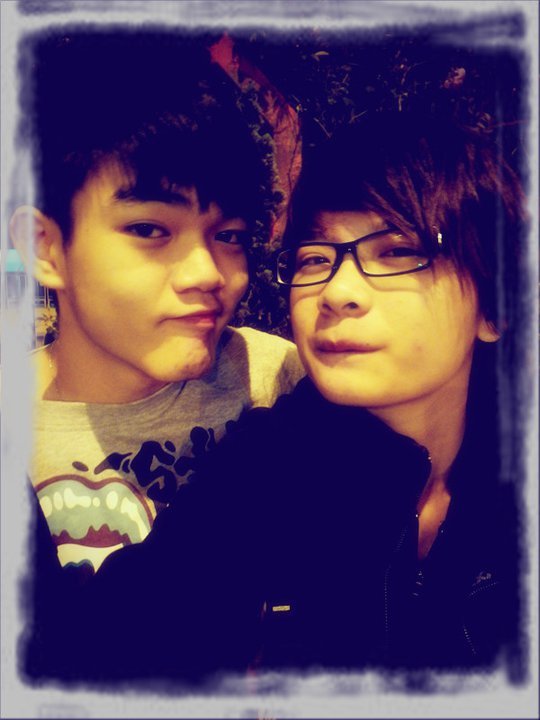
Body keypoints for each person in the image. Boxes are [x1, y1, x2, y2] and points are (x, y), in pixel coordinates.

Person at [31, 111, 528, 686]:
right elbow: (96, 656)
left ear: (494, 308)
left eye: (397, 251)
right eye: (315, 258)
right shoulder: (265, 470)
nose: (338, 291)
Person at [10, 30, 304, 582]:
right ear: (45, 248)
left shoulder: (279, 383)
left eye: (230, 236)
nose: (207, 274)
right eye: (149, 230)